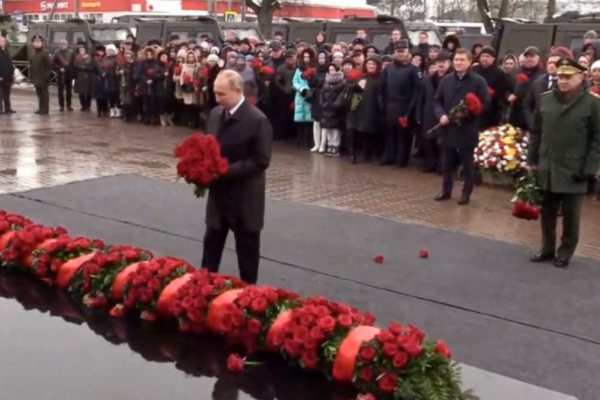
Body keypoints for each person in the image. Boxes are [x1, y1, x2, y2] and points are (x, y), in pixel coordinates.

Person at [202, 70, 273, 284]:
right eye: (215, 93)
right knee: (210, 249)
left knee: (247, 254)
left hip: (244, 198)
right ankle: (203, 288)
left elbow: (261, 160)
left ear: (238, 91)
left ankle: (248, 295)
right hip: (218, 196)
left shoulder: (257, 120)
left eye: (222, 94)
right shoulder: (216, 114)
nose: (217, 99)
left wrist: (225, 170)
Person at [528, 58, 600, 268]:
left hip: (575, 168)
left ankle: (565, 251)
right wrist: (532, 160)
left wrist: (589, 168)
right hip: (548, 165)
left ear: (581, 77)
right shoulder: (546, 100)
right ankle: (546, 248)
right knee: (547, 212)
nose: (563, 81)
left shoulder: (592, 104)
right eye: (560, 76)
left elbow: (597, 140)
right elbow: (536, 132)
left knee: (571, 215)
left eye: (568, 77)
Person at [434, 48, 490, 205]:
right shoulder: (446, 80)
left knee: (467, 163)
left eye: (462, 60)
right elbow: (437, 99)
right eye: (456, 60)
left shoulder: (478, 81)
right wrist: (441, 114)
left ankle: (466, 193)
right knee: (446, 162)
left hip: (467, 128)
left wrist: (470, 111)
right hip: (448, 128)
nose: (458, 62)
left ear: (469, 62)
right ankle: (446, 190)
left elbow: (486, 103)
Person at [29, 34, 51, 115]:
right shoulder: (33, 53)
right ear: (33, 43)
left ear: (41, 43)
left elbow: (49, 65)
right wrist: (31, 76)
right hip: (36, 77)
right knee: (39, 94)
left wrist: (47, 75)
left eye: (39, 42)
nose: (37, 43)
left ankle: (45, 109)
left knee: (44, 94)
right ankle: (41, 108)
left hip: (43, 78)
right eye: (35, 42)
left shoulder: (44, 53)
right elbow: (31, 65)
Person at [52, 39, 75, 111]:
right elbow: (53, 62)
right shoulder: (57, 52)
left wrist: (72, 71)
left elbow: (74, 62)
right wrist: (59, 68)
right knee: (60, 91)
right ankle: (61, 106)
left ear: (67, 45)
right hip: (60, 74)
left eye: (65, 44)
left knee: (69, 91)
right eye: (62, 44)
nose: (64, 46)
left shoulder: (71, 52)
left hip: (69, 74)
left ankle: (69, 105)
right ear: (60, 45)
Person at [0, 36, 15, 114]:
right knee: (0, 93)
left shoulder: (6, 51)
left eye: (4, 41)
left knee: (7, 93)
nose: (3, 43)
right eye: (1, 41)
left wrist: (12, 74)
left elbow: (10, 63)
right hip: (1, 76)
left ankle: (7, 108)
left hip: (8, 76)